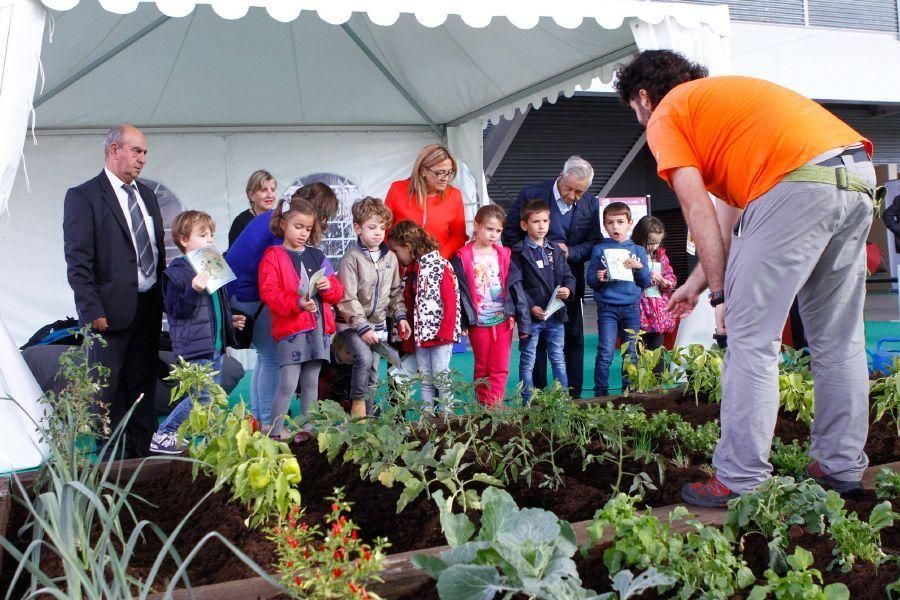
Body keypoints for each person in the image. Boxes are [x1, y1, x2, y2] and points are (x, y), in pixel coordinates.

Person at [615, 49, 877, 507]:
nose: (640, 123)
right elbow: (730, 217)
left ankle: (739, 479)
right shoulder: (724, 107)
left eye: (636, 113)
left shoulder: (668, 113)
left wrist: (722, 298)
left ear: (643, 96)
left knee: (750, 340)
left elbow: (696, 211)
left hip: (794, 184)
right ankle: (839, 467)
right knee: (840, 340)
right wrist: (698, 285)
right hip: (854, 175)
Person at [63, 124, 166, 458]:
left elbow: (156, 248)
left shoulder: (147, 194)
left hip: (148, 304)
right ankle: (112, 462)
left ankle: (141, 460)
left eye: (145, 153)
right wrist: (91, 309)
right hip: (109, 311)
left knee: (142, 386)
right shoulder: (84, 196)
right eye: (136, 151)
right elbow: (78, 260)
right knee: (107, 391)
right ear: (113, 150)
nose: (142, 159)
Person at [226, 183, 339, 431]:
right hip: (249, 294)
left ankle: (260, 417)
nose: (323, 222)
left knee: (265, 356)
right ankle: (268, 422)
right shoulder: (280, 233)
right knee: (271, 357)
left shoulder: (274, 218)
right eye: (324, 215)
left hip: (238, 291)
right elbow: (287, 275)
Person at [501, 156, 603, 399]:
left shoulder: (590, 203)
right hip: (532, 280)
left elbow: (594, 242)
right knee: (536, 341)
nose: (573, 195)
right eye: (569, 188)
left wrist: (571, 252)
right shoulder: (531, 194)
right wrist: (531, 254)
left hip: (568, 279)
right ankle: (536, 396)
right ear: (561, 175)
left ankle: (573, 395)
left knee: (573, 336)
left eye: (580, 191)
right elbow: (510, 236)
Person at [150, 211, 246, 454]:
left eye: (211, 235)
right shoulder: (178, 272)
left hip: (213, 344)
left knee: (208, 397)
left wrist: (229, 319)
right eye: (202, 235)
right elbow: (175, 309)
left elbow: (214, 306)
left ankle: (205, 440)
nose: (209, 240)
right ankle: (164, 434)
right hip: (194, 347)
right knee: (201, 398)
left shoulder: (210, 265)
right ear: (184, 240)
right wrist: (193, 289)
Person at [258, 197, 344, 439]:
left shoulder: (317, 256)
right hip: (292, 328)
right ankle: (275, 433)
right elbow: (269, 293)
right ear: (283, 223)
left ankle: (308, 429)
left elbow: (337, 292)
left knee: (311, 381)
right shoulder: (273, 255)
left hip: (318, 328)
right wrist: (296, 303)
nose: (304, 233)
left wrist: (328, 286)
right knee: (287, 383)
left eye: (308, 228)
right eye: (298, 227)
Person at [336, 197, 412, 418]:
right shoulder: (351, 258)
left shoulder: (389, 257)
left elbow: (395, 292)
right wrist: (362, 327)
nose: (378, 232)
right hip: (352, 325)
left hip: (378, 324)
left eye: (382, 227)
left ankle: (368, 418)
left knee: (373, 373)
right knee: (364, 358)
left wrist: (401, 317)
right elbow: (347, 297)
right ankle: (357, 407)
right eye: (372, 227)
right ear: (357, 228)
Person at [451, 204, 528, 407]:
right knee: (483, 366)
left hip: (503, 319)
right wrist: (463, 323)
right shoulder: (462, 256)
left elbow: (514, 287)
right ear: (476, 226)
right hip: (478, 321)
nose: (494, 235)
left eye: (498, 231)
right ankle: (484, 406)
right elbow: (458, 292)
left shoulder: (504, 254)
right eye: (489, 229)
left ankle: (496, 404)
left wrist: (517, 313)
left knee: (500, 366)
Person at [387, 220, 461, 413]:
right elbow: (410, 303)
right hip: (422, 337)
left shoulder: (439, 266)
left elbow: (451, 302)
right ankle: (428, 416)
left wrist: (445, 332)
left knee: (441, 376)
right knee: (425, 378)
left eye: (397, 251)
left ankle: (448, 415)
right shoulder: (412, 270)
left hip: (439, 336)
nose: (396, 256)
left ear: (408, 246)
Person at [509, 200, 576, 404]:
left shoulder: (556, 250)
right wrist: (530, 307)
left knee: (558, 359)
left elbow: (568, 276)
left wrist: (568, 289)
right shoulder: (518, 251)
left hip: (555, 315)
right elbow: (516, 285)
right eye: (536, 221)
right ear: (524, 225)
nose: (541, 226)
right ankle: (527, 402)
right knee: (528, 361)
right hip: (532, 317)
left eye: (545, 220)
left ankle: (563, 401)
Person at [587, 202, 651, 397]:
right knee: (605, 351)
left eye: (620, 222)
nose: (615, 227)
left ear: (630, 223)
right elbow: (590, 280)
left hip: (632, 307)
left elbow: (646, 282)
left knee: (631, 352)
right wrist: (597, 277)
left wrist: (639, 267)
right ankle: (601, 394)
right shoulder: (599, 249)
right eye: (610, 223)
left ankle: (629, 392)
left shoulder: (639, 250)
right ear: (604, 225)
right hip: (607, 308)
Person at [385, 144, 468, 259]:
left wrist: (439, 259)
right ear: (423, 171)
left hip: (438, 266)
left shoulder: (455, 195)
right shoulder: (397, 189)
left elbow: (458, 236)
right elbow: (384, 229)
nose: (445, 178)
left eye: (449, 172)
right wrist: (392, 258)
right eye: (440, 173)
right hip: (400, 266)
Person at [631, 215, 678, 352]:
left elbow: (670, 274)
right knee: (637, 354)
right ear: (640, 237)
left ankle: (659, 374)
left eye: (657, 243)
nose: (654, 247)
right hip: (639, 309)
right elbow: (632, 277)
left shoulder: (661, 255)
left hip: (658, 311)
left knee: (657, 353)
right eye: (650, 242)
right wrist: (651, 277)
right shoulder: (632, 253)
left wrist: (666, 282)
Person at [228, 170, 277, 247]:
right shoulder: (241, 222)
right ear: (251, 195)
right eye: (263, 190)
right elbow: (234, 256)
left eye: (273, 190)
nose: (270, 195)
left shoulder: (280, 218)